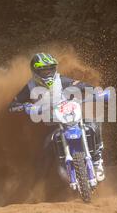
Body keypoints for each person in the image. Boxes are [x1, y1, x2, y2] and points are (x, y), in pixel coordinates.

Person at [8, 53, 106, 182]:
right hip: (51, 125)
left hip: (71, 119)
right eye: (44, 70)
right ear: (35, 71)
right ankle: (47, 184)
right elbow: (12, 105)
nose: (48, 73)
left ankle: (97, 160)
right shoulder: (30, 87)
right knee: (44, 150)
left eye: (50, 69)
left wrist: (98, 92)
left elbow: (81, 85)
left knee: (93, 124)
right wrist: (25, 106)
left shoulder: (61, 80)